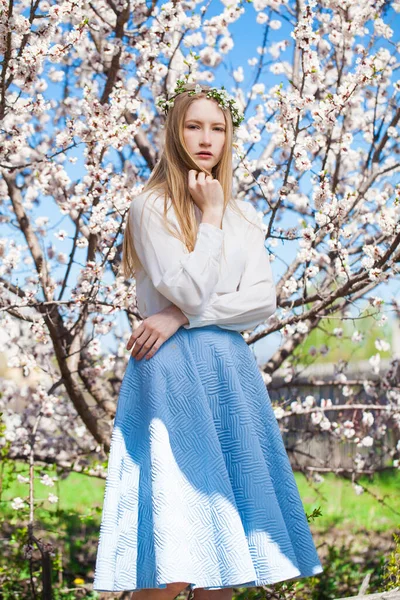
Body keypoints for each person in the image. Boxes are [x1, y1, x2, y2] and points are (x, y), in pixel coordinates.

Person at [92, 82, 323, 600]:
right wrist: (210, 219)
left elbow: (262, 301)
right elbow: (192, 287)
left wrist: (182, 317)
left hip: (228, 370)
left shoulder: (244, 217)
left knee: (229, 546)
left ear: (228, 137)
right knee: (175, 551)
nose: (206, 138)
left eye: (217, 128)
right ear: (175, 131)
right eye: (194, 126)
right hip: (170, 372)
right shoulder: (151, 208)